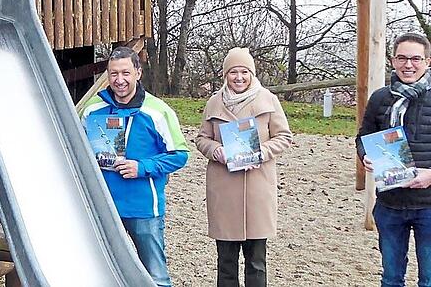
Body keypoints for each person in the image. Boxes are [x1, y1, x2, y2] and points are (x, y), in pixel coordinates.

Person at [357, 32, 431, 287]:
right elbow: (364, 136)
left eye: (415, 59)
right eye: (402, 58)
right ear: (392, 60)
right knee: (390, 277)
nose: (408, 65)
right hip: (390, 202)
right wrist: (365, 155)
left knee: (430, 278)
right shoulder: (380, 99)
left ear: (427, 62)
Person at [79, 47, 189, 286]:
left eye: (126, 73)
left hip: (143, 207)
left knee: (155, 276)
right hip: (103, 206)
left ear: (138, 73)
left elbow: (180, 155)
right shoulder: (92, 111)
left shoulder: (157, 111)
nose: (119, 80)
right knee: (102, 272)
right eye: (114, 74)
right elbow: (78, 153)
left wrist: (142, 167)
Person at [194, 48, 292, 287]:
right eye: (233, 72)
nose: (239, 77)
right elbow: (201, 138)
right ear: (225, 75)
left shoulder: (268, 100)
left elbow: (283, 137)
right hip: (224, 188)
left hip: (257, 188)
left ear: (252, 73)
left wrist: (260, 153)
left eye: (244, 72)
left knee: (256, 261)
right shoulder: (214, 102)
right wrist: (216, 150)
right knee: (225, 260)